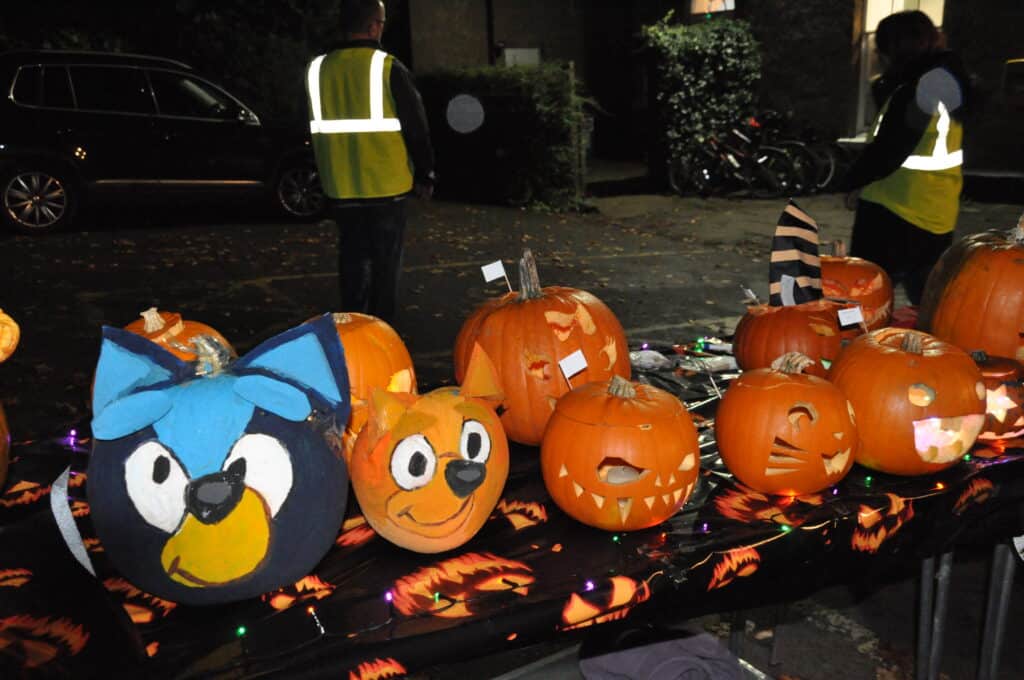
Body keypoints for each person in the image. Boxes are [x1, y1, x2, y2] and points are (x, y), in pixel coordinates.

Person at [305, 0, 435, 324]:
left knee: (351, 261)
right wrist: (426, 173)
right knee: (385, 267)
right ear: (374, 25)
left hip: (340, 186)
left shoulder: (318, 69)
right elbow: (416, 127)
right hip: (386, 186)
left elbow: (307, 126)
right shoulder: (388, 67)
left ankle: (352, 329)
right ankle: (381, 334)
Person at [840, 10, 969, 306]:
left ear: (895, 49)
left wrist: (852, 181)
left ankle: (857, 348)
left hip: (894, 209)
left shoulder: (917, 88)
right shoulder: (949, 81)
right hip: (937, 208)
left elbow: (891, 148)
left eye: (880, 49)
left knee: (863, 300)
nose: (877, 56)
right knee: (928, 302)